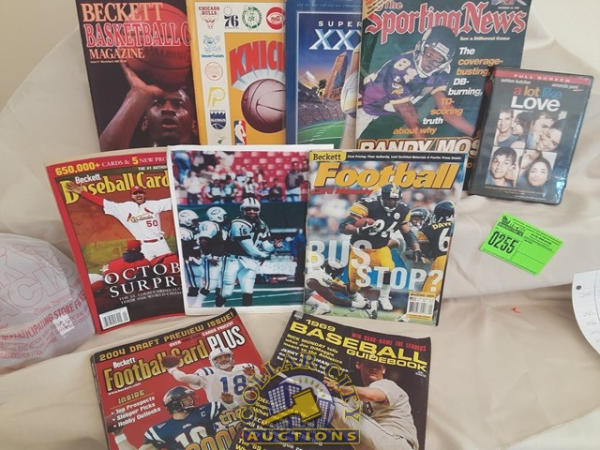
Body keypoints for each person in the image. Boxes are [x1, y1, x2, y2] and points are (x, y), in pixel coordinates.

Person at [356, 26, 475, 140]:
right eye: (429, 54)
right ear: (420, 48)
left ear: (445, 62)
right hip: (359, 107)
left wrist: (477, 134)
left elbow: (448, 113)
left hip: (382, 110)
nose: (430, 62)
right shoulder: (400, 70)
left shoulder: (441, 71)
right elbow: (410, 118)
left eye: (438, 59)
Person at [340, 184, 422, 316]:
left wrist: (416, 248)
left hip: (380, 247)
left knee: (388, 267)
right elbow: (343, 226)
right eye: (389, 199)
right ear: (382, 197)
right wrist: (358, 230)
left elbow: (406, 231)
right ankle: (354, 295)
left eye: (395, 199)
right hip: (360, 248)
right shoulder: (368, 205)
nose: (392, 202)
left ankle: (384, 297)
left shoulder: (403, 210)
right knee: (355, 285)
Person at [324, 360, 419, 450]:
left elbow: (372, 395)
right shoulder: (354, 400)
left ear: (383, 369)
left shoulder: (387, 384)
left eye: (378, 366)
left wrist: (339, 388)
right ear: (358, 365)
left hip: (396, 442)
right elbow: (344, 421)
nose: (374, 368)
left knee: (332, 403)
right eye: (369, 364)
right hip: (374, 444)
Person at [99, 64, 198, 151]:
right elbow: (105, 157)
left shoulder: (205, 161)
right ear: (145, 122)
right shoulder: (133, 161)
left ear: (195, 125)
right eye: (158, 103)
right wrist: (140, 93)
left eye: (177, 104)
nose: (167, 109)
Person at [65, 182, 172, 259]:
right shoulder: (124, 208)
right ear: (132, 196)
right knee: (147, 272)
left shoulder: (154, 204)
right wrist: (82, 193)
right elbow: (103, 203)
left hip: (160, 243)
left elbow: (173, 200)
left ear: (144, 194)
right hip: (144, 246)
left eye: (140, 192)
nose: (138, 195)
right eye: (135, 193)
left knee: (170, 266)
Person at [108, 386, 233, 449]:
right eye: (185, 398)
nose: (190, 399)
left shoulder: (207, 409)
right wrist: (119, 435)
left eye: (190, 396)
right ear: (174, 404)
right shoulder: (160, 430)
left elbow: (237, 419)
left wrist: (231, 404)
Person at [219, 198, 281, 306]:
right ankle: (218, 307)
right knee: (226, 292)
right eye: (248, 209)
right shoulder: (238, 223)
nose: (252, 211)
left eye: (255, 209)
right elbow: (247, 246)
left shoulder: (262, 224)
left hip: (250, 260)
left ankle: (246, 311)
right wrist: (262, 255)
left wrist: (273, 246)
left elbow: (265, 244)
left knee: (248, 290)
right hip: (233, 259)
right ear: (242, 210)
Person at [165, 348, 259, 404]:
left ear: (232, 357)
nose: (224, 359)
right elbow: (182, 378)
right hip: (225, 413)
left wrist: (254, 376)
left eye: (226, 356)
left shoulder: (247, 368)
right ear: (213, 361)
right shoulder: (207, 372)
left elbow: (262, 384)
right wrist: (172, 369)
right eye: (219, 358)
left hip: (250, 405)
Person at [187, 207, 229, 308]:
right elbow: (203, 241)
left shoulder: (221, 228)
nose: (226, 218)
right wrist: (209, 257)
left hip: (222, 259)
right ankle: (196, 304)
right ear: (218, 216)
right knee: (211, 284)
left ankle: (219, 306)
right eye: (224, 216)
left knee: (221, 285)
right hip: (214, 259)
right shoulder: (211, 225)